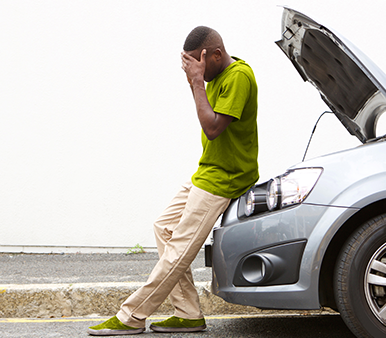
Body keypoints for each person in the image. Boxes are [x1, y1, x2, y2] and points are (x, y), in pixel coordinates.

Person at [87, 26, 258, 336]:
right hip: (208, 171)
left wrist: (195, 83)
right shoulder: (218, 75)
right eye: (189, 64)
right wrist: (197, 79)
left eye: (198, 63)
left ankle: (131, 316)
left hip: (225, 178)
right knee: (163, 227)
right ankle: (188, 313)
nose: (194, 70)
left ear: (215, 55)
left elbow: (213, 128)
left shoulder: (239, 77)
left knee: (178, 248)